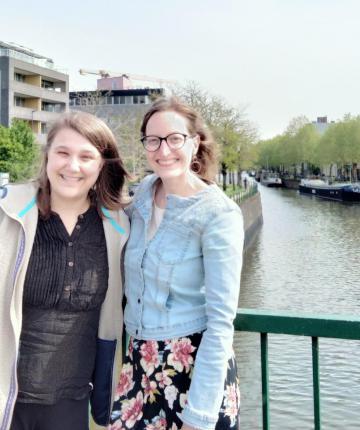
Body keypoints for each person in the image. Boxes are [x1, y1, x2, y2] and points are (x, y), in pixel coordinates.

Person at [0, 112, 130, 430]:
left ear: (102, 164)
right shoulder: (4, 214)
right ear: (47, 155)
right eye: (63, 153)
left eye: (86, 156)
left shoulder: (117, 227)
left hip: (73, 406)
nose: (72, 166)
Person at [109, 98, 243, 430]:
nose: (163, 149)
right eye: (152, 140)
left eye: (174, 138)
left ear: (195, 142)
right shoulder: (142, 196)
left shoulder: (218, 214)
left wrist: (198, 417)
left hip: (193, 370)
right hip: (140, 362)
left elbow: (221, 322)